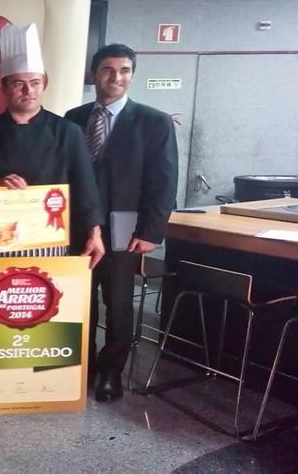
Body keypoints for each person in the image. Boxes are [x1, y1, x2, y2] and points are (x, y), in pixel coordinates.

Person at [65, 43, 178, 403]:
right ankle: (82, 366)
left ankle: (111, 371)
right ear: (94, 74)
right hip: (76, 227)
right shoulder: (73, 117)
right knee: (79, 300)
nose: (116, 77)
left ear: (132, 75)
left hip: (125, 230)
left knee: (117, 302)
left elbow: (164, 180)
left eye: (124, 70)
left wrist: (151, 231)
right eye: (108, 70)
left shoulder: (153, 121)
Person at [0, 23, 105, 265]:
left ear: (44, 84)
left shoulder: (67, 131)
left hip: (48, 237)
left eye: (35, 83)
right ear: (4, 87)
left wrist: (94, 232)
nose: (28, 91)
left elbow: (85, 186)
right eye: (19, 84)